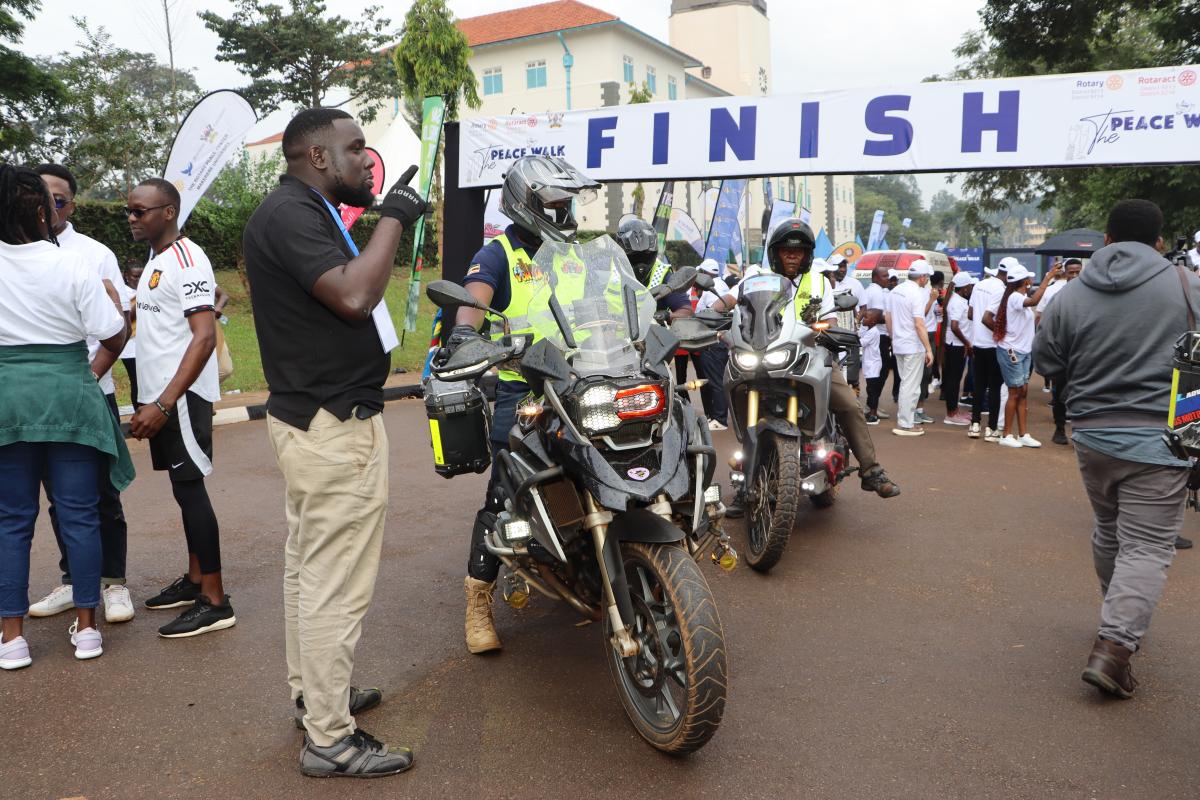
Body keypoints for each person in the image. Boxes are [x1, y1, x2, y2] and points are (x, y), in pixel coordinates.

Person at [241, 108, 425, 778]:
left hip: (315, 418)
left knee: (309, 573)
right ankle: (328, 738)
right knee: (332, 585)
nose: (365, 161)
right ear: (315, 156)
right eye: (354, 150)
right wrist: (396, 217)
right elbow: (354, 295)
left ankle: (315, 697)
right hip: (330, 425)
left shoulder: (304, 210)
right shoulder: (291, 213)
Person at [1034, 199, 1200, 698]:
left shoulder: (1070, 294)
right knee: (1147, 545)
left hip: (1093, 435)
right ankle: (1114, 646)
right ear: (1160, 242)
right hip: (1166, 437)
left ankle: (1117, 620)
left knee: (1109, 530)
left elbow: (1047, 362)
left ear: (1106, 240)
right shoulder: (1187, 287)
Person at [441, 155, 601, 657]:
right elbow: (473, 301)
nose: (564, 210)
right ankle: (478, 599)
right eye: (554, 202)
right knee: (504, 496)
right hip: (524, 389)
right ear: (527, 204)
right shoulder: (498, 255)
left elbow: (615, 299)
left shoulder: (578, 252)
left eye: (566, 201)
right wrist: (467, 332)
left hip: (582, 382)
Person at [0, 164, 132, 670]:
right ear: (39, 210)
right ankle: (87, 629)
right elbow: (111, 330)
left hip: (8, 397)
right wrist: (113, 320)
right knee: (80, 515)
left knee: (11, 521)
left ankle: (12, 636)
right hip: (70, 392)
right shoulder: (71, 263)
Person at [710, 219, 900, 497]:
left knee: (848, 405)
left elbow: (831, 319)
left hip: (810, 355)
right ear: (775, 252)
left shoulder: (819, 282)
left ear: (807, 255)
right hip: (761, 354)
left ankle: (871, 470)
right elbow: (728, 300)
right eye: (786, 250)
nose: (792, 256)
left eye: (798, 252)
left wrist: (829, 332)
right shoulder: (757, 276)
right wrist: (711, 313)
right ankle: (745, 486)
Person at [124, 178, 233, 640]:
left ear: (168, 212)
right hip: (161, 395)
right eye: (129, 211)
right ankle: (193, 581)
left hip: (180, 399)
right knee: (181, 488)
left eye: (141, 211)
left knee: (191, 490)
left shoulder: (188, 258)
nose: (132, 218)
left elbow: (204, 336)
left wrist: (164, 405)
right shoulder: (158, 259)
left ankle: (214, 599)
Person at [986, 262, 1059, 448]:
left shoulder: (1016, 297)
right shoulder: (1014, 297)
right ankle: (1006, 435)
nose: (1031, 280)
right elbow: (1034, 301)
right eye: (1029, 278)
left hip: (1023, 352)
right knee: (1014, 392)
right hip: (1012, 351)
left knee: (1023, 392)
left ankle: (1023, 434)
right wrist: (1048, 278)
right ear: (1024, 281)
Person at [1036, 258, 1083, 445]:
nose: (1074, 276)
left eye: (1078, 272)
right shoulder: (1055, 293)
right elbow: (1044, 322)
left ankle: (1080, 432)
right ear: (1065, 273)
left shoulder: (1093, 293)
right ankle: (1059, 429)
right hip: (1062, 352)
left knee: (1082, 393)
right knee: (1059, 393)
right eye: (1071, 272)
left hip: (1084, 353)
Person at [886, 261, 935, 436]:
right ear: (922, 277)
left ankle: (905, 420)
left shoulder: (895, 291)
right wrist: (928, 349)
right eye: (927, 277)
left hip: (899, 343)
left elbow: (888, 317)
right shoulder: (916, 293)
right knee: (911, 385)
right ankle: (906, 424)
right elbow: (919, 323)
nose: (927, 280)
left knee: (906, 383)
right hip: (912, 345)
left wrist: (893, 337)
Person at [966, 259, 1011, 440]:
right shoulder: (1001, 290)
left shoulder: (980, 285)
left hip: (977, 343)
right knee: (994, 387)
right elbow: (987, 318)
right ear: (1007, 275)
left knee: (978, 385)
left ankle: (974, 425)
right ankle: (991, 428)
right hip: (993, 345)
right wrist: (1004, 335)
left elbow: (970, 314)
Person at [860, 264, 893, 424]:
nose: (887, 279)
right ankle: (872, 406)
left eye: (887, 275)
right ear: (875, 278)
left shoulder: (874, 291)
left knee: (881, 372)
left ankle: (873, 404)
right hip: (878, 335)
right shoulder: (876, 292)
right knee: (880, 372)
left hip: (878, 335)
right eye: (884, 276)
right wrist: (888, 318)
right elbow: (875, 316)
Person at [941, 271, 975, 425]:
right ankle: (951, 414)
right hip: (957, 345)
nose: (971, 289)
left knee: (953, 379)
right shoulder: (957, 301)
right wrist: (967, 343)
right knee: (953, 380)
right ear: (965, 288)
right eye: (970, 286)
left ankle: (953, 410)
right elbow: (954, 326)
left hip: (956, 344)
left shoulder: (958, 299)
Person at [119, 262, 143, 408]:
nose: (139, 280)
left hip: (146, 344)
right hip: (130, 347)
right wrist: (142, 298)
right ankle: (138, 414)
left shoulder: (147, 291)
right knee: (137, 381)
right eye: (135, 276)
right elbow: (127, 318)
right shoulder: (123, 293)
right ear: (126, 276)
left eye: (142, 276)